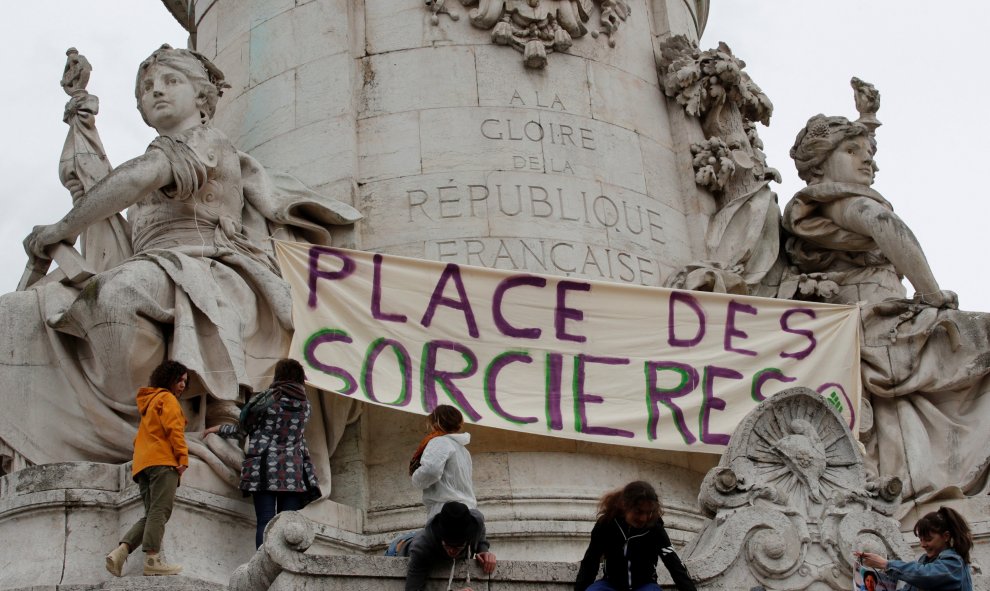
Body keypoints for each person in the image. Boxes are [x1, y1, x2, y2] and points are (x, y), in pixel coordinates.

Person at [3, 44, 360, 481]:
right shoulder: (161, 149)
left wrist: (63, 226)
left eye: (171, 82)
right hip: (155, 264)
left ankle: (208, 417)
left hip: (209, 264)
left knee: (115, 294)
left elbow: (140, 176)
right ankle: (41, 438)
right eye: (147, 88)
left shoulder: (205, 141)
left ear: (204, 98)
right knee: (15, 312)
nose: (156, 92)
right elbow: (106, 188)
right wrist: (80, 113)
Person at [781, 97, 990, 503]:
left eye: (870, 155)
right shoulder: (837, 202)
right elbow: (884, 225)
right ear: (820, 163)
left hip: (885, 318)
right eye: (853, 151)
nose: (869, 163)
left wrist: (867, 123)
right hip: (875, 321)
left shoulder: (829, 202)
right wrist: (931, 293)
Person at [205, 358, 321, 548]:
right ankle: (282, 569)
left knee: (265, 521)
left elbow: (242, 430)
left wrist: (219, 429)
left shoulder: (267, 400)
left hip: (264, 469)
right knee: (286, 525)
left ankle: (262, 566)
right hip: (293, 473)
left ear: (279, 375)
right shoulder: (305, 406)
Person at [104, 360, 190, 577]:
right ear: (168, 379)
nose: (182, 385)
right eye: (179, 380)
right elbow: (174, 430)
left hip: (143, 465)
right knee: (161, 511)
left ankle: (121, 552)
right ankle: (152, 560)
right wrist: (182, 457)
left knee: (152, 513)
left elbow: (139, 439)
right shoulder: (167, 399)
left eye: (185, 382)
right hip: (163, 462)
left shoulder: (150, 402)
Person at [575, 481, 696, 591]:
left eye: (649, 512)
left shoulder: (655, 528)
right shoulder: (606, 525)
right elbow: (590, 562)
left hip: (645, 586)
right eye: (638, 511)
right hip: (610, 585)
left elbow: (674, 565)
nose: (643, 518)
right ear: (624, 505)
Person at [855, 506, 974, 591]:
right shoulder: (926, 562)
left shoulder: (954, 563)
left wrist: (887, 564)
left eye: (928, 539)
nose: (923, 544)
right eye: (921, 539)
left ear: (946, 536)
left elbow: (925, 575)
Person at [405, 501, 497, 591]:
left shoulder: (477, 521)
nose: (452, 551)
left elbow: (480, 530)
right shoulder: (422, 548)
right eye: (448, 545)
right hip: (404, 544)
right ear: (441, 537)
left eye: (458, 546)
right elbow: (413, 588)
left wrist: (483, 549)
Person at [409, 404, 477, 522]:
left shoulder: (439, 442)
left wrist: (415, 478)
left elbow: (431, 471)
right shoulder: (463, 450)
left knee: (410, 541)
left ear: (435, 423)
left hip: (446, 513)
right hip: (468, 511)